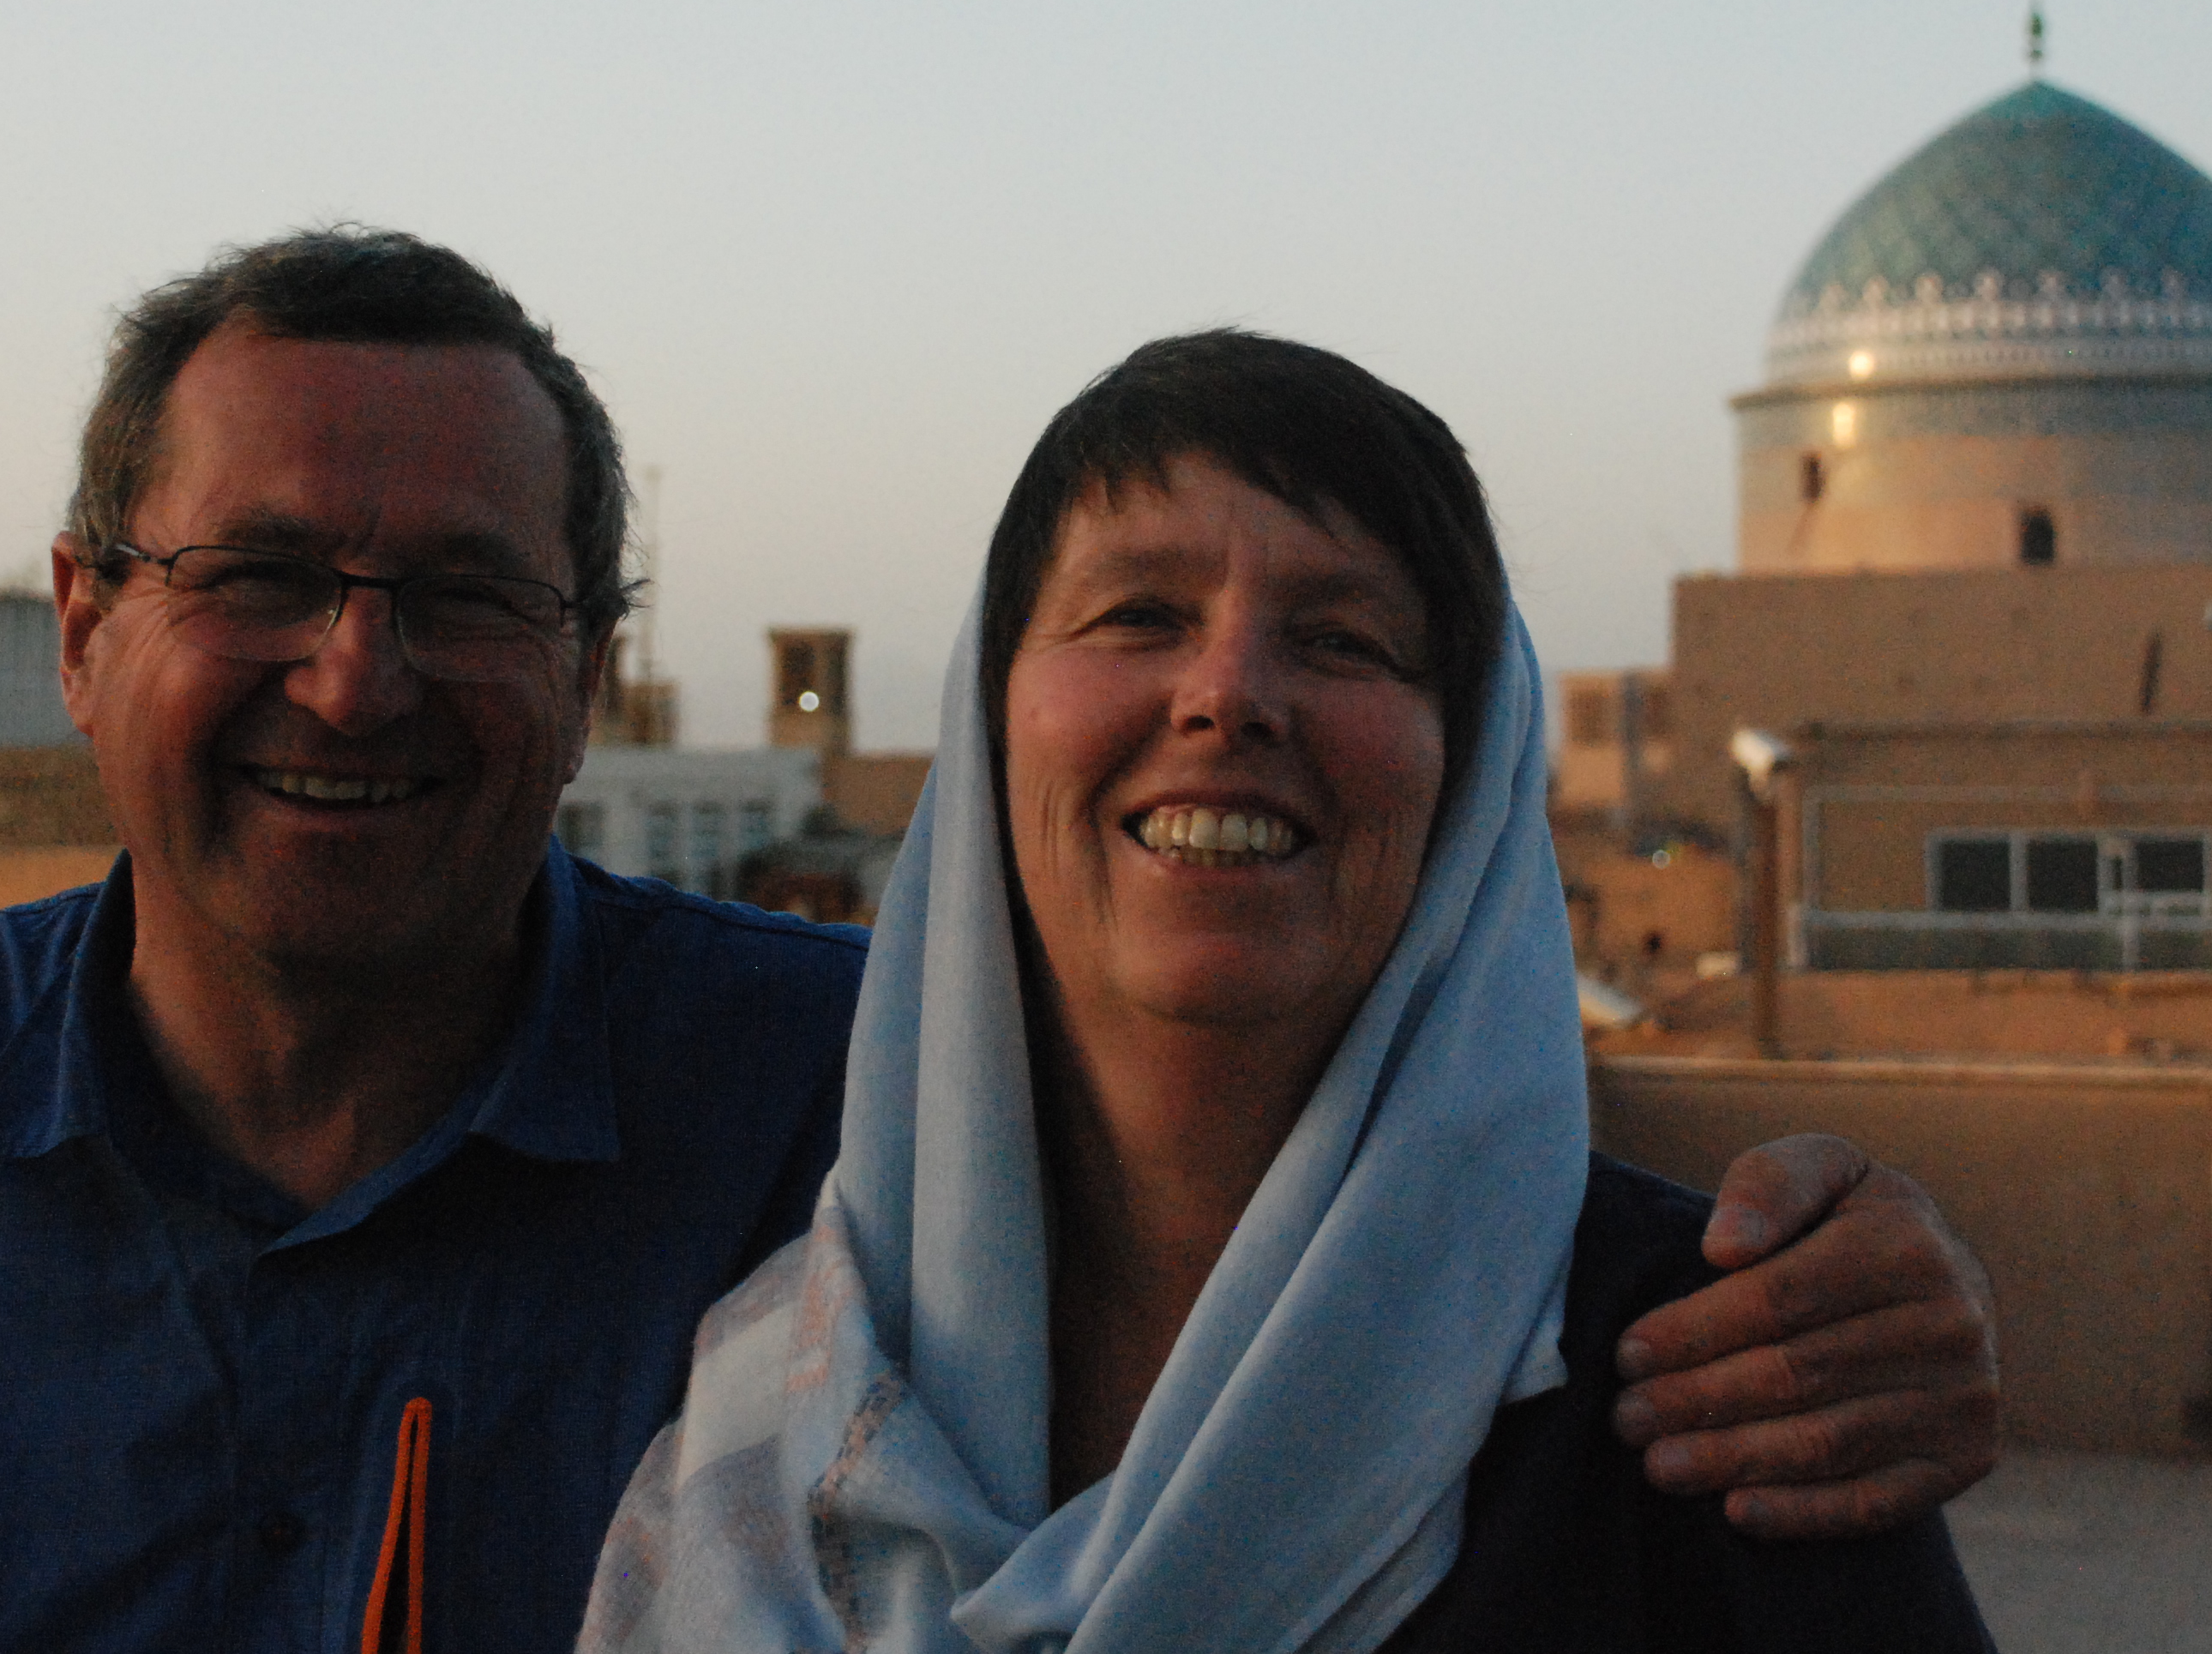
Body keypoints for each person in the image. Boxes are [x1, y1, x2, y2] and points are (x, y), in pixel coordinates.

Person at [0, 232, 1993, 1654]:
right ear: (82, 621)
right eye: (264, 577)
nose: (356, 674)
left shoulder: (852, 1111)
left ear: (594, 672)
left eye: (466, 596)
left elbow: (1272, 1133)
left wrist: (1868, 1284)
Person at [581, 331, 1997, 1653]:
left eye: (1341, 641)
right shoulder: (770, 1416)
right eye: (1140, 615)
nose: (1228, 695)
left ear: (1472, 771)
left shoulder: (1718, 1387)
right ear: (989, 719)